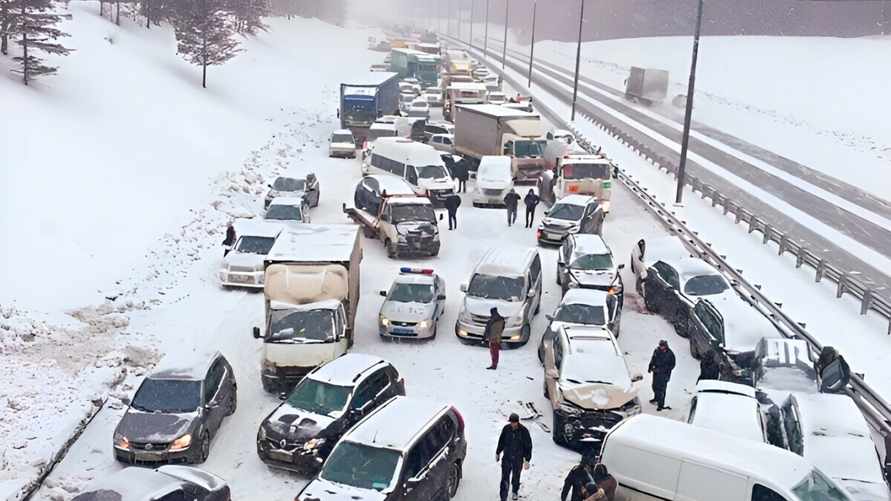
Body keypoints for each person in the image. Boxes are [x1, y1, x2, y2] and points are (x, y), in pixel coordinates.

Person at [496, 413, 532, 501]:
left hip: (518, 459)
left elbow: (528, 446)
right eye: (511, 422)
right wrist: (498, 452)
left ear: (517, 422)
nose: (512, 424)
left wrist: (527, 459)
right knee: (504, 478)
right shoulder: (506, 429)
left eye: (514, 423)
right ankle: (503, 496)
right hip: (507, 458)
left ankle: (515, 491)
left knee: (516, 477)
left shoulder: (524, 431)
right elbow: (501, 441)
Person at [648, 339, 676, 411]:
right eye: (660, 346)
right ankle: (656, 399)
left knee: (662, 390)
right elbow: (653, 359)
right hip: (656, 373)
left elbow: (672, 365)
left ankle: (661, 404)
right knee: (654, 386)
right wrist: (650, 367)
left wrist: (663, 370)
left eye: (662, 346)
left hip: (664, 375)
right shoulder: (657, 351)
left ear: (665, 346)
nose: (661, 347)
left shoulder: (670, 354)